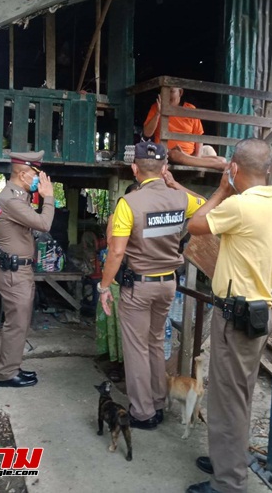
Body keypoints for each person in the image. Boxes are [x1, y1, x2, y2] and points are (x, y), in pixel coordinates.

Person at [182, 139, 272, 493]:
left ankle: (228, 482)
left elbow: (195, 225)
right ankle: (228, 459)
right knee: (234, 396)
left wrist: (221, 189)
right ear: (269, 169)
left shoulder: (240, 206)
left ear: (235, 169)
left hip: (236, 315)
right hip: (256, 313)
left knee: (229, 401)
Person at [98, 142, 205, 430]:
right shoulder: (179, 199)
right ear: (164, 169)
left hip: (139, 287)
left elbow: (117, 252)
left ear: (135, 169)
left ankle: (144, 413)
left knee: (136, 349)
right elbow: (205, 206)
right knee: (155, 343)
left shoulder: (128, 204)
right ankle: (158, 401)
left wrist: (104, 287)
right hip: (168, 284)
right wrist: (176, 185)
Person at [0, 151, 55, 388]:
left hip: (18, 270)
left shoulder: (19, 196)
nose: (39, 179)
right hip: (13, 272)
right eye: (35, 174)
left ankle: (12, 367)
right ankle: (6, 374)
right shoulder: (11, 199)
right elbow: (43, 224)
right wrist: (48, 198)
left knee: (20, 322)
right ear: (22, 173)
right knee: (16, 323)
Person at [95, 182, 140, 383]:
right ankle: (117, 364)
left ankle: (132, 366)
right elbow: (115, 247)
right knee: (117, 326)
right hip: (117, 277)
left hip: (140, 279)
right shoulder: (116, 217)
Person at [143, 87, 204, 155]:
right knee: (175, 154)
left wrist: (197, 157)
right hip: (167, 153)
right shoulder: (156, 107)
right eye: (164, 92)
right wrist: (158, 114)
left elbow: (199, 136)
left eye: (171, 91)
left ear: (180, 92)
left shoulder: (191, 109)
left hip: (190, 154)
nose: (167, 95)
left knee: (210, 150)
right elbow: (147, 133)